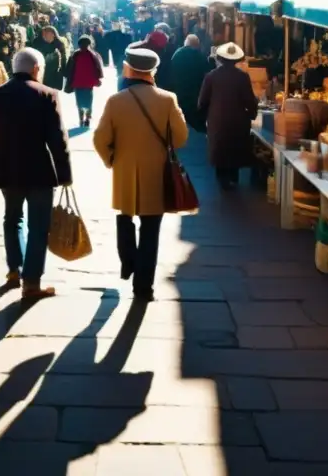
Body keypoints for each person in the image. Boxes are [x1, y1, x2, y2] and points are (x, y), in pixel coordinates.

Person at [93, 46, 189, 301]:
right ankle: (143, 287)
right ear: (153, 71)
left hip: (124, 170)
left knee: (125, 217)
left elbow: (100, 138)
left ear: (129, 69)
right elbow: (180, 138)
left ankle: (128, 261)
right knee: (150, 229)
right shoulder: (168, 99)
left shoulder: (116, 100)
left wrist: (110, 160)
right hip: (156, 173)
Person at [0, 48, 72, 299]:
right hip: (39, 171)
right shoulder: (47, 94)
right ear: (36, 69)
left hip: (8, 169)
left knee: (12, 218)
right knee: (39, 226)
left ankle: (14, 270)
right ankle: (31, 282)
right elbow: (57, 139)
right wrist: (64, 173)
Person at [198, 42, 258, 190]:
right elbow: (249, 100)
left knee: (220, 150)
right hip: (238, 120)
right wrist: (252, 114)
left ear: (219, 58)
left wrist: (206, 117)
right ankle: (233, 178)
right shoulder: (243, 77)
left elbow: (202, 102)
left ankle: (222, 180)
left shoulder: (210, 76)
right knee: (234, 149)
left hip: (217, 119)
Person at [170, 34, 210, 132]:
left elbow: (171, 71)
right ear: (197, 44)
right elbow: (206, 74)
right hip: (195, 92)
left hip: (180, 91)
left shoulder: (177, 54)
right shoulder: (200, 55)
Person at [64, 35, 104, 127]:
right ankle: (87, 118)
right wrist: (97, 79)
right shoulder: (93, 55)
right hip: (89, 84)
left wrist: (68, 78)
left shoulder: (75, 54)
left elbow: (69, 69)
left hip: (77, 83)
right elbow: (98, 69)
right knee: (89, 100)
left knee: (79, 101)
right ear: (89, 44)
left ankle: (81, 118)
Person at [28, 25, 67, 91]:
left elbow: (63, 60)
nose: (52, 36)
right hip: (40, 74)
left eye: (53, 35)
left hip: (54, 75)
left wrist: (64, 71)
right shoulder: (37, 43)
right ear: (43, 34)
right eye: (49, 34)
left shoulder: (59, 44)